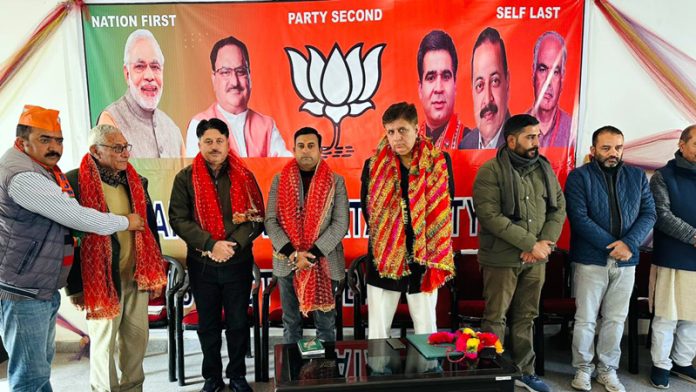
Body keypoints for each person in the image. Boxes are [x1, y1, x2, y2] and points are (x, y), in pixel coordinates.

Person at [0, 105, 144, 391]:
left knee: (39, 369)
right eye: (45, 139)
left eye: (59, 140)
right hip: (24, 290)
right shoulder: (25, 175)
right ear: (22, 142)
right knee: (31, 376)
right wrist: (125, 222)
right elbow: (76, 219)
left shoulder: (49, 173)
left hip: (42, 287)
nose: (54, 147)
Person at [65, 124, 167, 391]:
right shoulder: (73, 182)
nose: (125, 154)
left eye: (126, 147)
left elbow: (151, 229)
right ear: (95, 152)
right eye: (117, 148)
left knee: (136, 341)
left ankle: (134, 388)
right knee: (103, 345)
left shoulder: (136, 181)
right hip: (100, 283)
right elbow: (69, 238)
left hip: (136, 277)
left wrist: (156, 273)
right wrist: (75, 287)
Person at [169, 118, 264, 392]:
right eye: (208, 141)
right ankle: (212, 377)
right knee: (207, 325)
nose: (214, 147)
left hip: (238, 263)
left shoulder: (243, 176)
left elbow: (256, 218)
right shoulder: (185, 178)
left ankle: (236, 376)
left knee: (237, 323)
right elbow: (178, 219)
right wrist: (211, 245)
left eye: (219, 141)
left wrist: (230, 245)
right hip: (202, 264)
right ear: (199, 144)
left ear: (227, 142)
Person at [472, 114, 566, 392]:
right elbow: (490, 215)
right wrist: (529, 244)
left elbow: (557, 209)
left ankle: (525, 371)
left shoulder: (544, 169)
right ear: (511, 140)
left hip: (537, 259)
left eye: (538, 136)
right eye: (530, 137)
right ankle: (492, 373)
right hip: (500, 259)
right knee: (495, 317)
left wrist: (543, 244)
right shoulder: (490, 171)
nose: (537, 142)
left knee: (527, 316)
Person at [565, 126, 656, 392]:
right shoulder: (579, 177)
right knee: (586, 319)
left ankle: (607, 369)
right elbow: (579, 218)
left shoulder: (637, 177)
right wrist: (611, 246)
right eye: (606, 148)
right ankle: (582, 369)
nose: (612, 153)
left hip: (627, 260)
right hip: (590, 260)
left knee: (616, 319)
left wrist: (628, 244)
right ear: (593, 150)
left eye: (617, 147)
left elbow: (649, 214)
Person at [360, 102, 454, 340]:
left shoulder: (438, 162)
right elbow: (368, 212)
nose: (396, 138)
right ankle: (378, 374)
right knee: (379, 331)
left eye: (402, 130)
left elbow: (443, 208)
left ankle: (429, 374)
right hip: (385, 258)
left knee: (426, 328)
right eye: (390, 132)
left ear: (416, 128)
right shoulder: (373, 166)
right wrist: (393, 239)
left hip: (423, 255)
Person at [265, 127, 349, 344]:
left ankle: (325, 372)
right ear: (293, 149)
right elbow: (270, 221)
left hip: (325, 261)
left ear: (320, 150)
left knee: (326, 323)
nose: (306, 151)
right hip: (287, 262)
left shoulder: (335, 181)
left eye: (311, 146)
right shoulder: (279, 180)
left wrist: (310, 255)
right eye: (300, 146)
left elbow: (340, 224)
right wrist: (293, 254)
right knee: (291, 321)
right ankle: (292, 374)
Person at [186, 35, 291, 158]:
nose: (234, 82)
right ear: (214, 79)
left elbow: (285, 167)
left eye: (240, 71)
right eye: (225, 72)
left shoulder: (267, 125)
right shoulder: (200, 125)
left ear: (249, 77)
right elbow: (197, 173)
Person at [648, 124, 696, 388]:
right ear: (681, 144)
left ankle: (683, 361)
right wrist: (694, 237)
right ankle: (661, 364)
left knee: (693, 317)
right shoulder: (663, 176)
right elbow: (662, 215)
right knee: (667, 316)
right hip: (672, 257)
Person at [98, 29, 184, 158]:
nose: (149, 76)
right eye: (140, 66)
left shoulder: (173, 130)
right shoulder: (111, 120)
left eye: (155, 67)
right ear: (127, 74)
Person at [416, 30, 468, 150]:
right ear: (420, 89)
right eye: (431, 77)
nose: (439, 88)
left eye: (445, 76)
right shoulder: (408, 147)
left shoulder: (472, 143)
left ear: (455, 85)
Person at [460, 27, 510, 149]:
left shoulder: (522, 146)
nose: (487, 99)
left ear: (507, 82)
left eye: (495, 81)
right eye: (480, 85)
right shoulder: (465, 145)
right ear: (472, 90)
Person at [528, 31, 572, 147]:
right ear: (533, 73)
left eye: (555, 72)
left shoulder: (574, 131)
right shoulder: (517, 128)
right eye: (542, 69)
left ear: (562, 78)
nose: (548, 82)